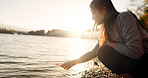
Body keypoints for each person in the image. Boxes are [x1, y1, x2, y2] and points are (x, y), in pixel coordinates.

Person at [60, 0, 148, 77]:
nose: (92, 17)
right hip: (134, 63)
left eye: (94, 13)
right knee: (103, 52)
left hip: (144, 60)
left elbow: (136, 52)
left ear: (104, 10)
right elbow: (93, 52)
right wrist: (73, 62)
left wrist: (111, 44)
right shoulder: (107, 30)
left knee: (104, 51)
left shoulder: (124, 18)